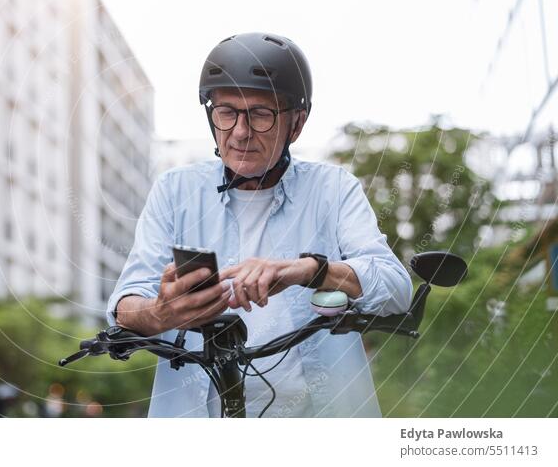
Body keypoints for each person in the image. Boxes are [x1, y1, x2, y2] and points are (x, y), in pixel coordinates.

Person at [106, 32, 413, 417]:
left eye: (261, 114)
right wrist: (160, 312)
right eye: (227, 111)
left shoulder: (333, 189)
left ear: (296, 124)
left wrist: (310, 270)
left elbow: (397, 288)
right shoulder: (174, 190)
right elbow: (125, 302)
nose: (240, 131)